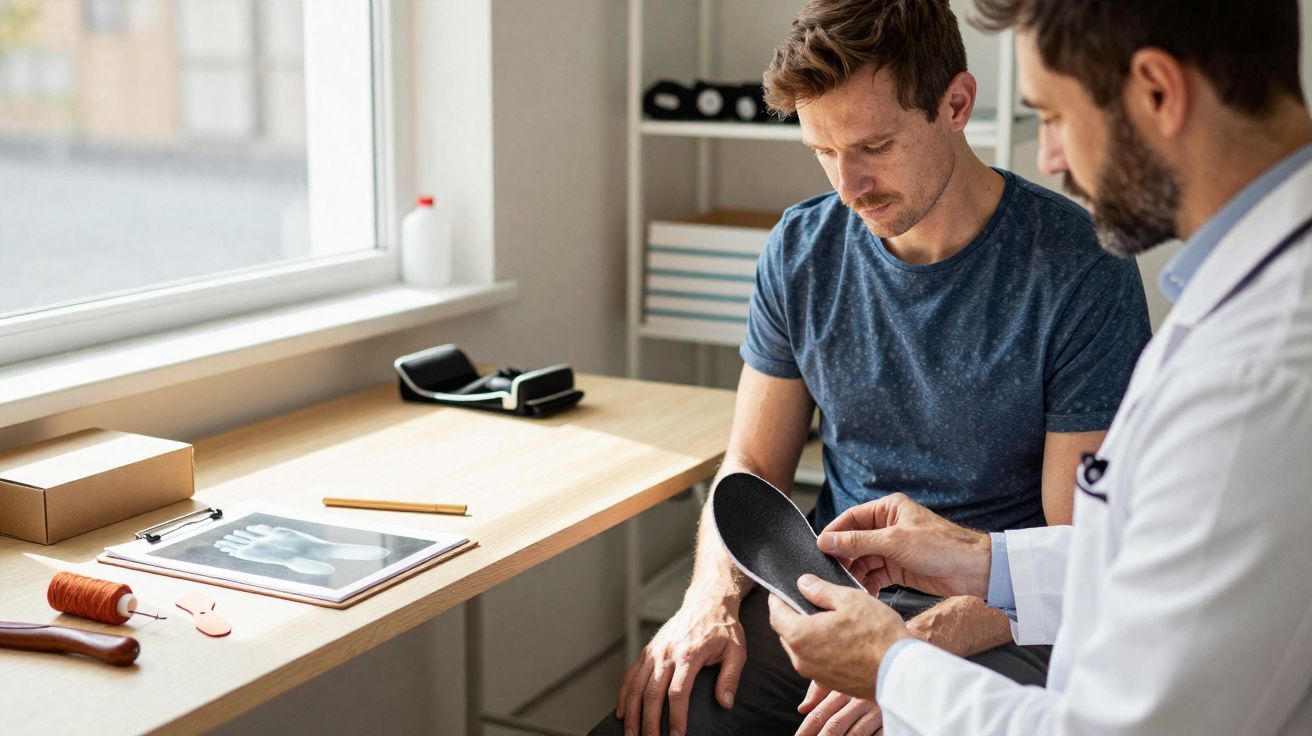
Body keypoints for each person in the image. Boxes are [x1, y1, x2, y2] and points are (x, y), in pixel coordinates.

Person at [591, 1, 1151, 734]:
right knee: (658, 717)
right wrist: (710, 600)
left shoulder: (1080, 267)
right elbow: (754, 461)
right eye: (824, 152)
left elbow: (1077, 554)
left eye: (874, 146)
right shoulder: (800, 249)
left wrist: (901, 658)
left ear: (956, 103)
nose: (848, 186)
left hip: (997, 626)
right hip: (827, 595)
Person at [767, 0, 1312, 733]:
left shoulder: (1262, 370)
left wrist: (893, 667)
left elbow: (1117, 726)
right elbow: (1147, 555)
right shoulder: (1244, 299)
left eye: (1052, 115)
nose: (1049, 156)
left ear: (1158, 91)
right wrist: (982, 559)